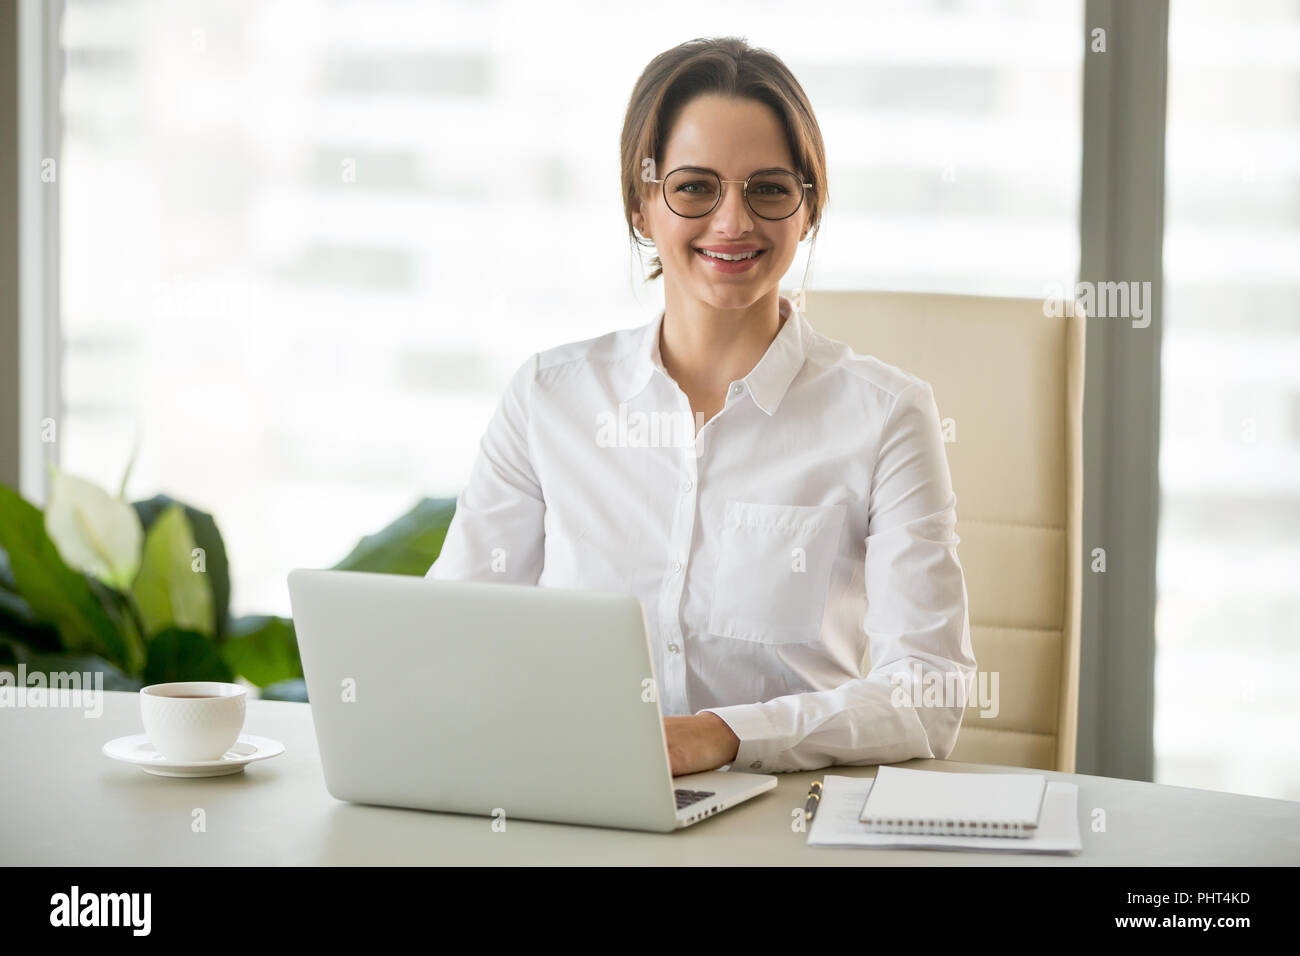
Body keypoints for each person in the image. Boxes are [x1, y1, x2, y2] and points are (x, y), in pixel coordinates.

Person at [428, 36, 976, 776]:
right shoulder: (548, 399)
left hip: (783, 824)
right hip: (577, 806)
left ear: (807, 210)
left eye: (770, 189)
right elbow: (451, 636)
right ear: (639, 204)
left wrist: (725, 734)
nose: (732, 223)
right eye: (694, 188)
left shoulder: (886, 417)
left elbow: (929, 696)